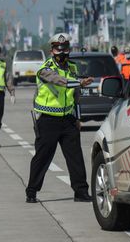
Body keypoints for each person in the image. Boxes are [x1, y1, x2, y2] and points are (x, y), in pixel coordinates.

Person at [25, 33, 94, 203]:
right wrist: (80, 83)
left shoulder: (73, 68)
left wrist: (77, 118)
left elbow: (76, 96)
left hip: (68, 120)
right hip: (48, 119)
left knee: (75, 157)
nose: (62, 53)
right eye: (58, 49)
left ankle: (81, 192)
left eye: (65, 49)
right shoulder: (45, 69)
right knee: (42, 157)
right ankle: (32, 191)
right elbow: (58, 81)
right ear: (52, 51)